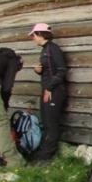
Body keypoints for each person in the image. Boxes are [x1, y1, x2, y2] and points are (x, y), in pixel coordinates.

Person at [29, 23, 67, 163]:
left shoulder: (53, 49)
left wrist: (50, 88)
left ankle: (47, 157)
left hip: (54, 91)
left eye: (33, 35)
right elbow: (49, 71)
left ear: (40, 34)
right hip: (47, 89)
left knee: (51, 123)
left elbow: (61, 70)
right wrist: (38, 71)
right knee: (45, 121)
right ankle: (43, 153)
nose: (33, 38)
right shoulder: (45, 50)